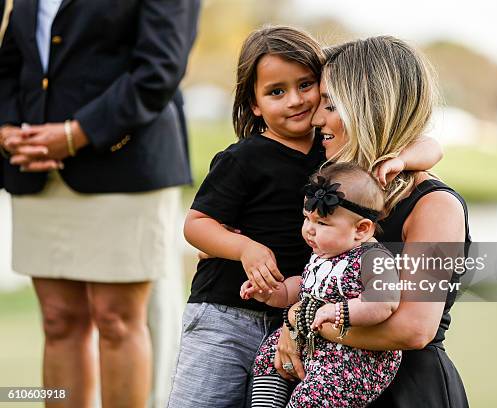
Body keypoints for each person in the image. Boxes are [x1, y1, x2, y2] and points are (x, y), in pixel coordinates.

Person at [167, 25, 442, 408]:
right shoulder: (252, 158)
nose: (306, 110)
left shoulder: (348, 172)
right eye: (277, 92)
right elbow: (197, 224)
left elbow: (429, 144)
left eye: (316, 94)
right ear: (254, 104)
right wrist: (240, 247)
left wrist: (299, 320)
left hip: (335, 347)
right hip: (233, 310)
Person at [0, 1, 200, 407]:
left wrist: (77, 133)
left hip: (123, 163)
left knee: (117, 321)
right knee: (57, 321)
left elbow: (159, 68)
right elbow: (12, 60)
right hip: (38, 167)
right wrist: (5, 128)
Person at [273, 36, 470, 408]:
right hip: (326, 380)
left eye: (330, 105)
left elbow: (414, 328)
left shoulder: (435, 205)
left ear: (370, 109)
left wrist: (301, 321)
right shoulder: (337, 189)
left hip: (405, 394)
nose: (317, 120)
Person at [243, 163, 402, 408]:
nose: (309, 230)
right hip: (317, 346)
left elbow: (385, 302)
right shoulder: (325, 253)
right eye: (307, 219)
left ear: (361, 229)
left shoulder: (373, 257)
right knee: (267, 355)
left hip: (354, 359)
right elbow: (305, 287)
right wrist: (274, 292)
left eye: (322, 224)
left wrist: (338, 311)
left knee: (310, 399)